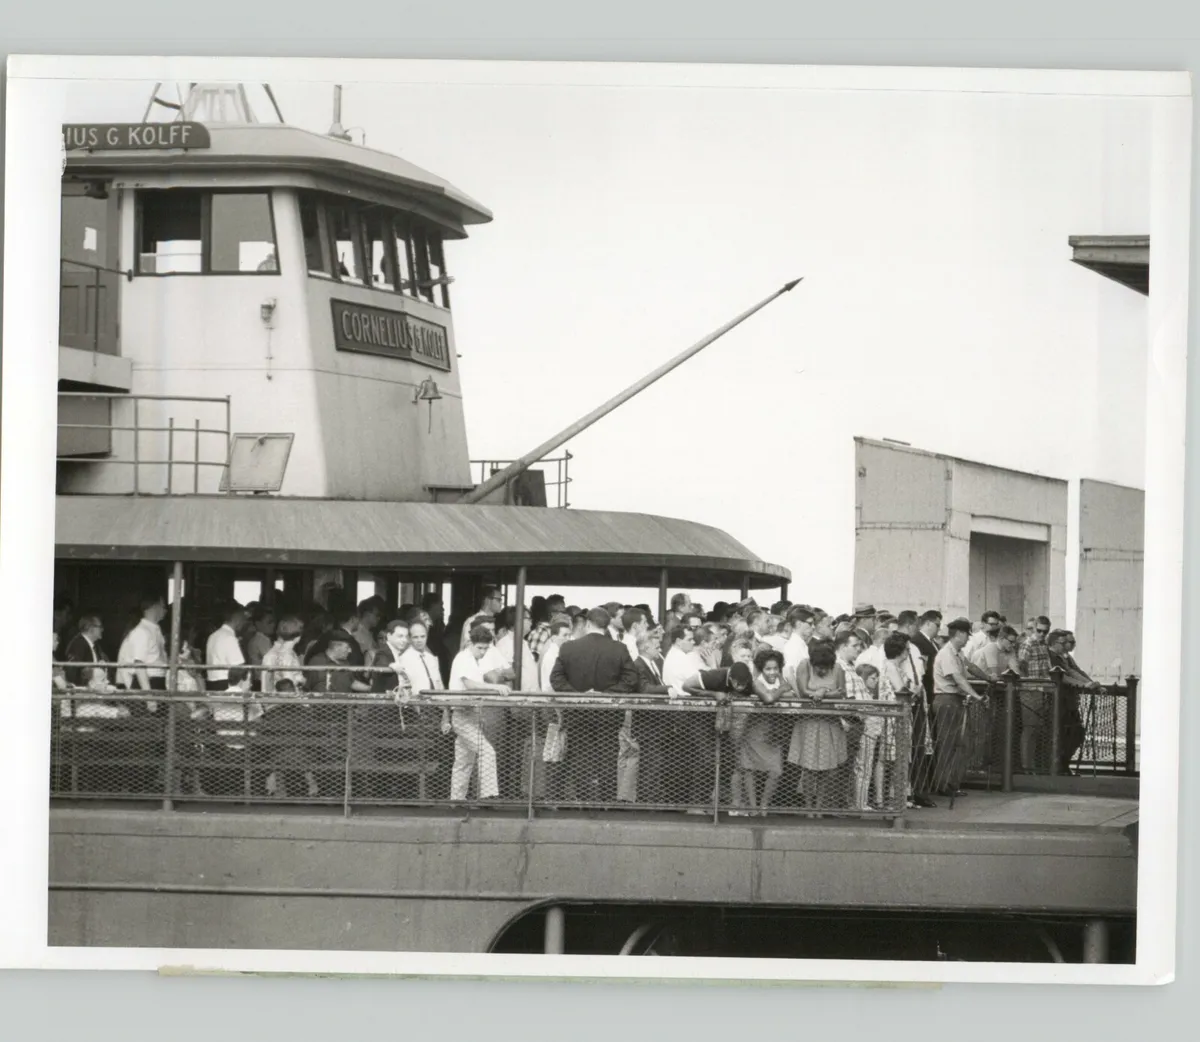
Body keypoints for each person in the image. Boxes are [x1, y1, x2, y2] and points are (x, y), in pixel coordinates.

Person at [549, 607, 639, 803]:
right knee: (607, 755)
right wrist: (606, 695)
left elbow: (556, 679)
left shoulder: (568, 648)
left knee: (581, 756)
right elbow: (632, 679)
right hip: (608, 713)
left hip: (577, 712)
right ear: (606, 626)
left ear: (588, 624)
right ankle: (606, 801)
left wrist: (579, 696)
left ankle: (584, 799)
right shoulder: (619, 648)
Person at [447, 625, 511, 800]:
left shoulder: (474, 661)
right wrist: (496, 687)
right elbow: (470, 685)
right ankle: (488, 795)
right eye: (479, 648)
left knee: (463, 762)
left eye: (485, 648)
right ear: (470, 643)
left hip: (472, 714)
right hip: (462, 714)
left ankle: (456, 800)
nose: (482, 652)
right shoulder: (463, 658)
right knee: (487, 751)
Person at [790, 638, 849, 809]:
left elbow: (841, 692)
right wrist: (825, 692)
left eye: (826, 668)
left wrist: (822, 692)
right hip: (808, 722)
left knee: (828, 769)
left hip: (829, 722)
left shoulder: (838, 668)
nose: (822, 671)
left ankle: (819, 806)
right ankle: (809, 806)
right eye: (819, 668)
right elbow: (803, 692)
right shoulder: (804, 665)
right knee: (809, 768)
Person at [931, 617, 984, 798]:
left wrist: (988, 678)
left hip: (955, 701)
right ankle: (943, 785)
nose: (968, 639)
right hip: (946, 700)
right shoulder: (947, 654)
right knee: (948, 745)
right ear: (959, 634)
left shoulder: (958, 653)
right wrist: (976, 696)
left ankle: (952, 783)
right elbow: (958, 679)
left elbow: (970, 668)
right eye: (967, 635)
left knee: (962, 744)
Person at [738, 647, 788, 816]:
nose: (772, 672)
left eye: (775, 668)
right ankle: (753, 807)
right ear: (761, 669)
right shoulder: (755, 681)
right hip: (754, 729)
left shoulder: (780, 678)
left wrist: (779, 687)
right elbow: (768, 698)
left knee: (776, 770)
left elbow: (792, 692)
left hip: (774, 730)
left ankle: (764, 806)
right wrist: (780, 690)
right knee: (749, 768)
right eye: (768, 668)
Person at [116, 595, 169, 697]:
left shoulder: (155, 630)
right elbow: (139, 664)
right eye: (163, 606)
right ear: (154, 606)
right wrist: (148, 695)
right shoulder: (142, 631)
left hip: (158, 683)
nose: (165, 610)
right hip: (147, 684)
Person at [206, 601, 248, 692]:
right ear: (237, 617)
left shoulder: (212, 636)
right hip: (226, 685)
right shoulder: (229, 637)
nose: (244, 622)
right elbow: (239, 667)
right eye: (243, 618)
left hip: (211, 684)